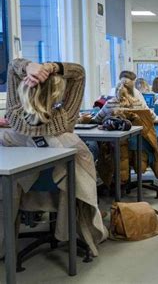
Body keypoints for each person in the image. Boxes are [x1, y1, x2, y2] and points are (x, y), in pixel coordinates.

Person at [0, 58, 108, 257]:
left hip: (25, 187)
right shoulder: (64, 119)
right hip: (61, 188)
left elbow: (11, 66)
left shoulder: (14, 118)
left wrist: (27, 67)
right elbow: (79, 73)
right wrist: (53, 67)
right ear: (57, 93)